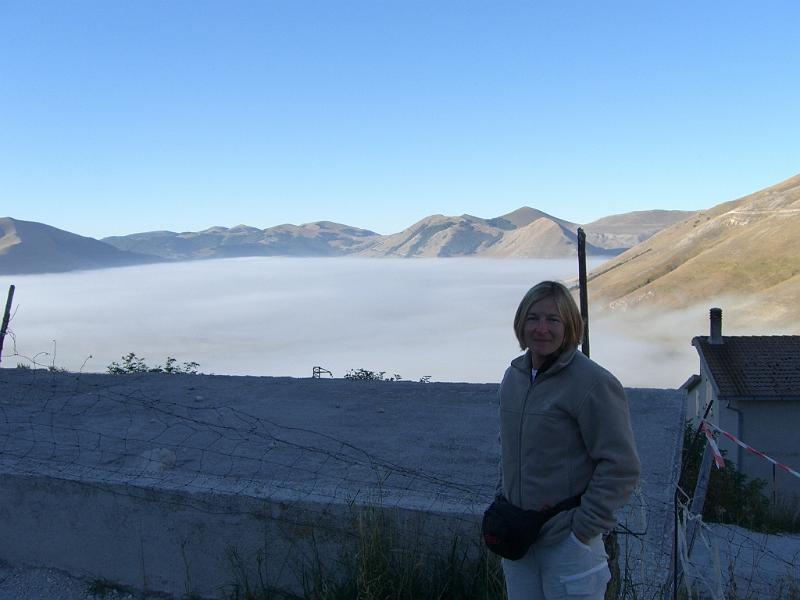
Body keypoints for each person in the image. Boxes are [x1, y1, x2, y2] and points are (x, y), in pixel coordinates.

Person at [497, 280, 640, 600]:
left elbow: (621, 466)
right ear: (520, 324)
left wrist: (581, 531)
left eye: (553, 319)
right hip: (519, 541)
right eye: (533, 318)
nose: (541, 328)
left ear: (570, 326)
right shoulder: (513, 378)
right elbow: (512, 451)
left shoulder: (593, 382)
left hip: (568, 547)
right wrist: (504, 501)